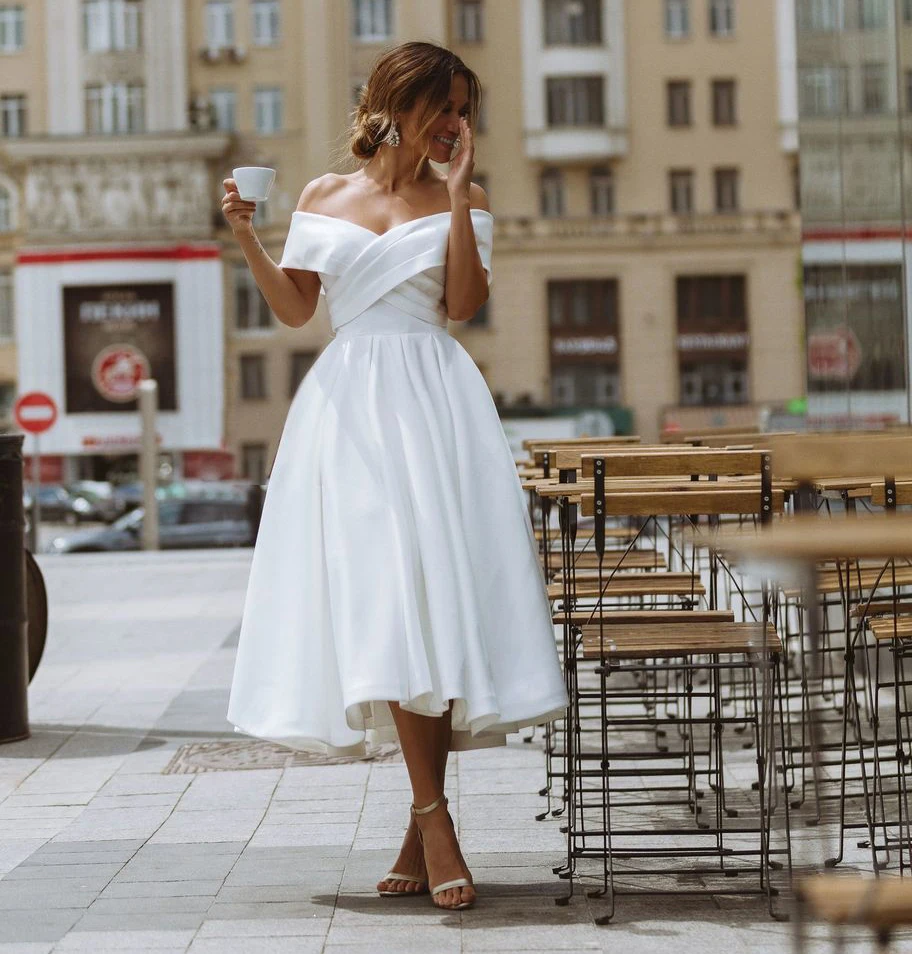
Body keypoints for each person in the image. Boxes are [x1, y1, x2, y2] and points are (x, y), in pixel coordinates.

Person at [223, 41, 569, 912]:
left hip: (435, 400)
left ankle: (426, 823)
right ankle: (433, 819)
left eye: (464, 110)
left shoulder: (468, 195)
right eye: (443, 106)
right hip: (348, 410)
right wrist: (246, 239)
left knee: (433, 600)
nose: (456, 125)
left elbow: (463, 304)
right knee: (388, 597)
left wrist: (454, 201)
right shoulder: (321, 196)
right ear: (395, 102)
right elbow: (300, 308)